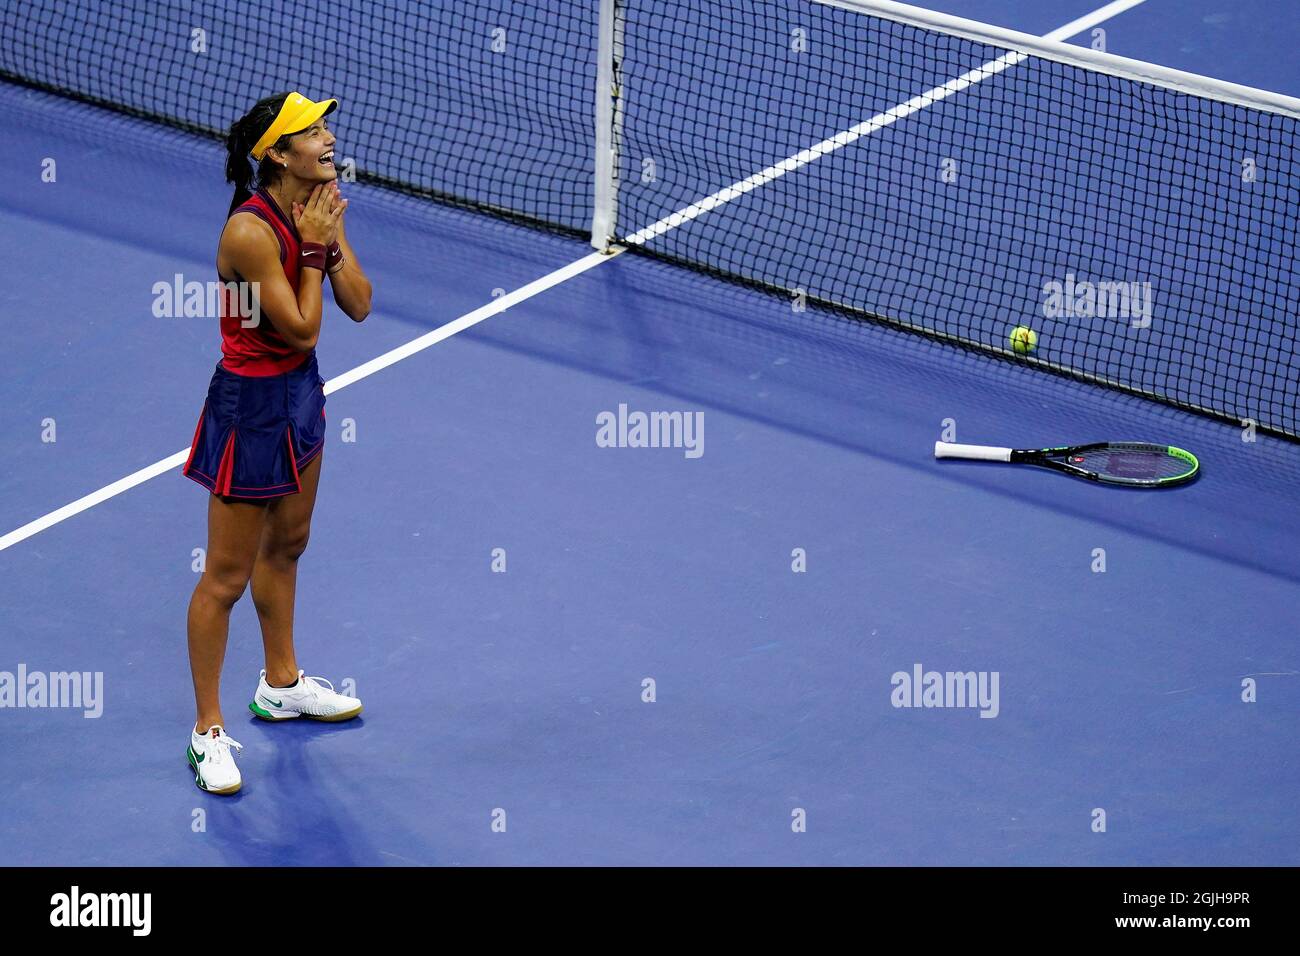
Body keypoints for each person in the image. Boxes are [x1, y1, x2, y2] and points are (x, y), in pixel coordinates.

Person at [181, 92, 373, 794]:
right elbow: (300, 325)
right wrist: (318, 248)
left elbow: (359, 303)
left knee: (289, 543)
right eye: (309, 132)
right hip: (249, 407)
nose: (326, 139)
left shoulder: (319, 204)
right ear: (277, 155)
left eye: (324, 126)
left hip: (299, 396)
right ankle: (207, 732)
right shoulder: (249, 234)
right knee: (225, 578)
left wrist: (332, 237)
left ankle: (281, 684)